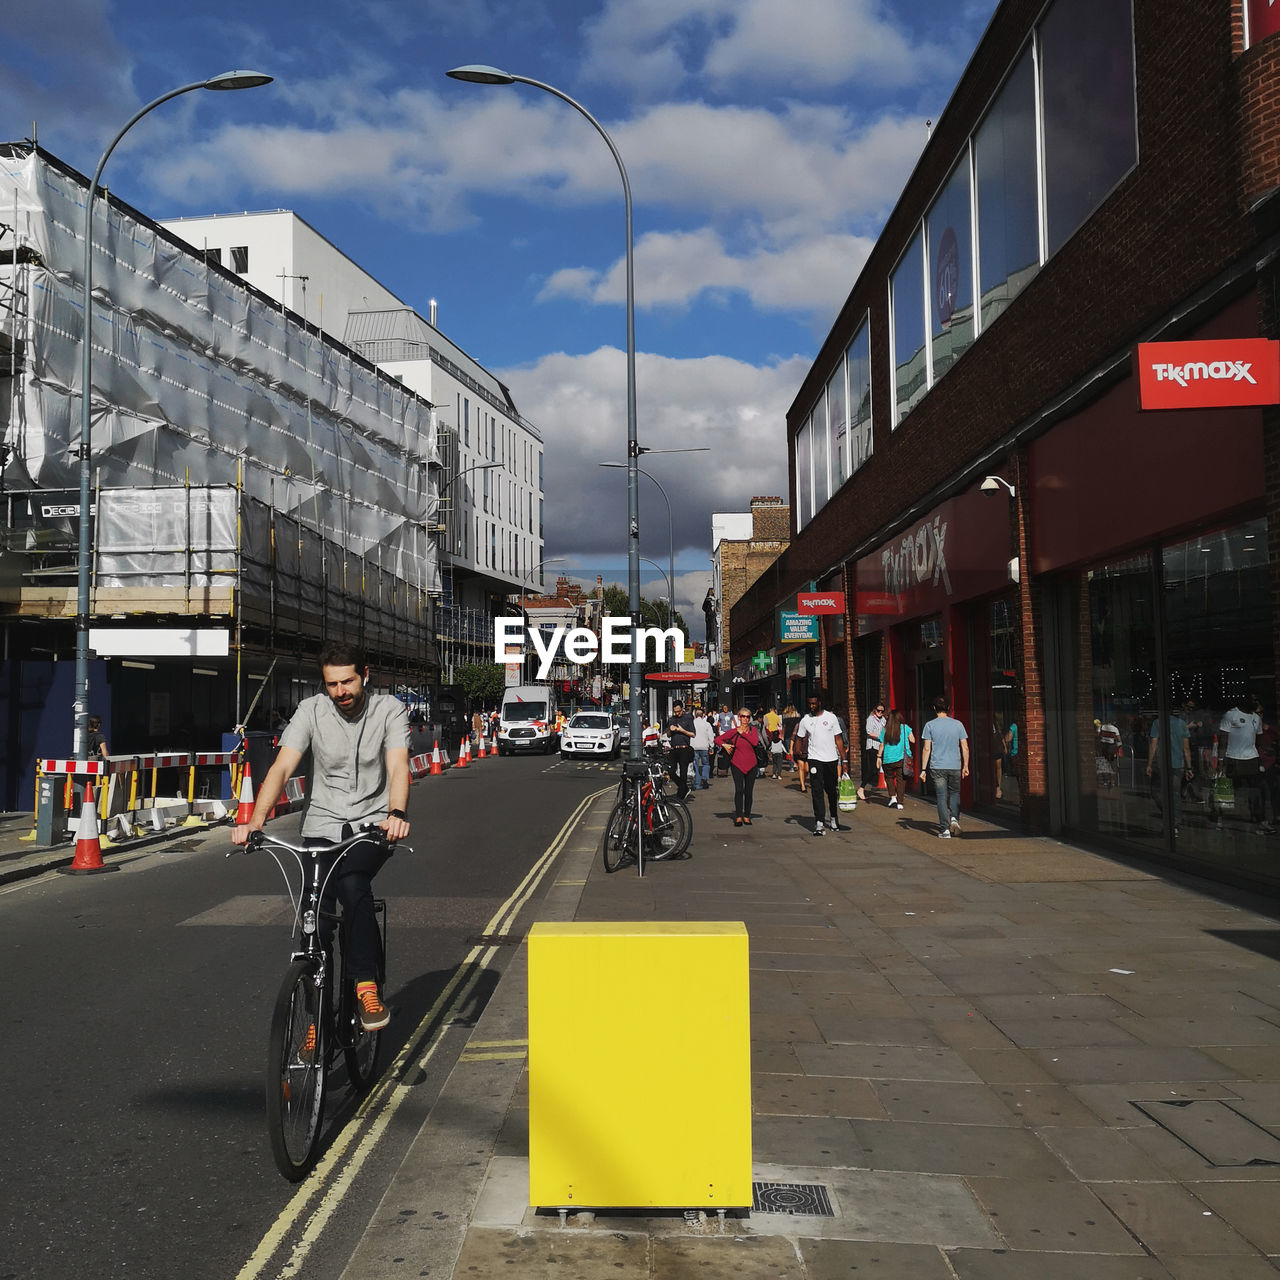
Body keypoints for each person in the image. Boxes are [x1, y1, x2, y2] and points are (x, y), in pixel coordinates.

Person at [233, 640, 410, 1031]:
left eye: (347, 682)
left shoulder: (389, 710)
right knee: (315, 921)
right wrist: (255, 820)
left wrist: (396, 813)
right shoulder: (310, 711)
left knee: (352, 884)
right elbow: (281, 767)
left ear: (366, 676)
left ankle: (366, 984)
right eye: (332, 685)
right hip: (321, 824)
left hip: (372, 823)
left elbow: (398, 765)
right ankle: (315, 1023)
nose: (340, 692)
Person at [795, 689, 848, 835]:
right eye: (809, 704)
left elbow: (838, 739)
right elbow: (799, 737)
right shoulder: (805, 720)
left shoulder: (831, 718)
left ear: (819, 702)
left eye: (814, 703)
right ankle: (819, 822)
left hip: (831, 759)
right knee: (816, 791)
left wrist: (844, 760)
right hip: (814, 759)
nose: (811, 706)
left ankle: (833, 817)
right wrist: (798, 752)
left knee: (831, 790)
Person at [920, 695, 969, 838]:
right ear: (948, 708)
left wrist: (923, 769)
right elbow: (965, 747)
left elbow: (926, 749)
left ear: (934, 708)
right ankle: (955, 819)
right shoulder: (958, 724)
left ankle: (945, 829)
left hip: (938, 766)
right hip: (955, 765)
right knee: (954, 793)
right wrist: (965, 765)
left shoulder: (929, 725)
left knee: (941, 797)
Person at [1216, 695, 1265, 828]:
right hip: (1233, 757)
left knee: (1255, 790)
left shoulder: (1256, 718)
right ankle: (1219, 815)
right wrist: (1220, 760)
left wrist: (1260, 760)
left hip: (1251, 758)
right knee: (1227, 789)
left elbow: (1259, 741)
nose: (1256, 703)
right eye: (1253, 700)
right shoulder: (1231, 714)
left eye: (1257, 700)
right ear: (1246, 700)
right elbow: (1223, 740)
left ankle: (1258, 818)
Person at [1148, 705, 1193, 836]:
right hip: (1177, 764)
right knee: (1174, 794)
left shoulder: (1157, 723)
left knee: (1156, 792)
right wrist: (1189, 767)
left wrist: (1149, 764)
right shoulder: (1182, 724)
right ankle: (1175, 822)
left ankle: (1170, 816)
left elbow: (1153, 744)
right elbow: (1186, 748)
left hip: (1162, 764)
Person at [714, 709, 761, 827]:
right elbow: (717, 739)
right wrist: (724, 745)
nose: (745, 719)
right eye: (743, 716)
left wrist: (743, 734)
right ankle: (739, 816)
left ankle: (747, 816)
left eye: (748, 717)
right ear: (739, 717)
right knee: (739, 790)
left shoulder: (753, 730)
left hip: (752, 765)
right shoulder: (733, 731)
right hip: (737, 764)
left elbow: (755, 742)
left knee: (749, 792)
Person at [877, 708, 915, 810]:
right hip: (901, 758)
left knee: (889, 778)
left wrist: (878, 757)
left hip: (888, 759)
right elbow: (913, 740)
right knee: (901, 780)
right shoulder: (905, 727)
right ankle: (900, 802)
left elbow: (881, 745)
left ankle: (892, 797)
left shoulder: (885, 730)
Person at [666, 700, 695, 801]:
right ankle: (684, 788)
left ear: (682, 709)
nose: (677, 713)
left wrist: (682, 730)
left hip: (684, 748)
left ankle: (681, 795)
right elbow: (668, 734)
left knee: (683, 773)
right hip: (674, 748)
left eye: (679, 711)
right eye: (675, 711)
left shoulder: (688, 718)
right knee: (671, 771)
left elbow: (693, 734)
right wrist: (671, 729)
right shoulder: (672, 719)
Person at [861, 700, 886, 800]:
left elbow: (885, 730)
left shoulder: (883, 719)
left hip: (880, 746)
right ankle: (861, 788)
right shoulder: (871, 719)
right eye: (878, 711)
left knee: (881, 768)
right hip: (872, 746)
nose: (880, 713)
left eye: (882, 711)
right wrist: (881, 737)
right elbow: (869, 732)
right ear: (875, 710)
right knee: (872, 770)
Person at [691, 706, 715, 791]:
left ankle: (697, 783)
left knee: (696, 766)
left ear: (695, 715)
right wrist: (711, 746)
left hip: (694, 746)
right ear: (703, 716)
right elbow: (711, 736)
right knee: (706, 764)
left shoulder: (692, 723)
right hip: (704, 746)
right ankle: (705, 779)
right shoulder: (707, 724)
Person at [781, 703, 802, 777]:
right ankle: (797, 764)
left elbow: (784, 728)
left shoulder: (786, 718)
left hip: (787, 736)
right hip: (797, 736)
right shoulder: (798, 718)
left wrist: (782, 735)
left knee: (789, 751)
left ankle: (792, 766)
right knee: (796, 750)